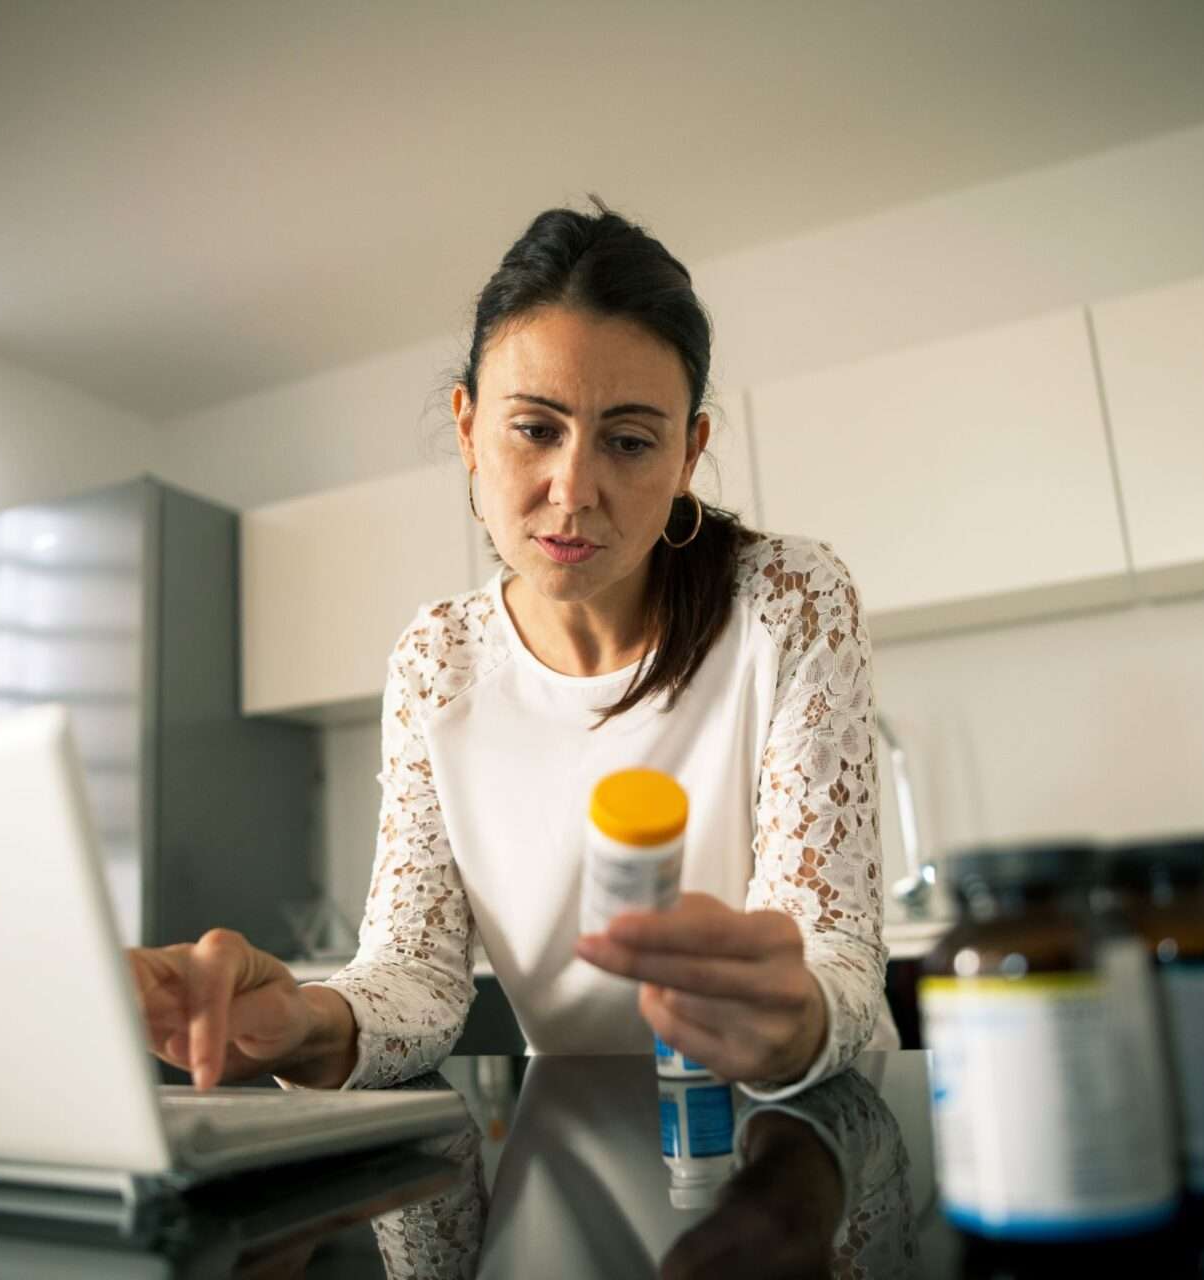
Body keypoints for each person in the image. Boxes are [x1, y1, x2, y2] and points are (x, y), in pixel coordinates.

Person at [128, 199, 890, 1100]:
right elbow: (413, 975)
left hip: (809, 1125)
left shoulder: (787, 602)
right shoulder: (437, 662)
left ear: (689, 456)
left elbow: (831, 944)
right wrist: (303, 1019)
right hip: (567, 1157)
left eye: (631, 441)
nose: (574, 491)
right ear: (467, 429)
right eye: (535, 429)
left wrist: (795, 1016)